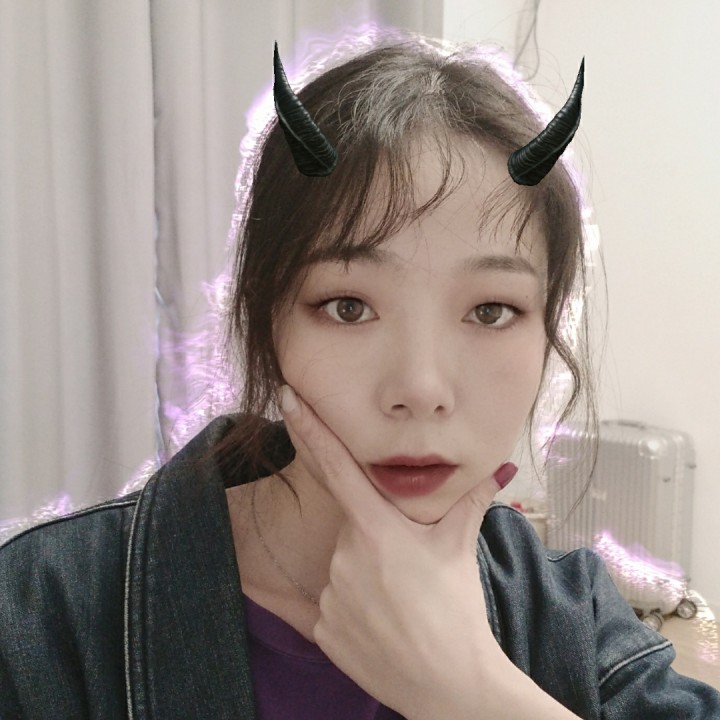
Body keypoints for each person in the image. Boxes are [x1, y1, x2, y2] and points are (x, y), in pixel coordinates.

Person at [1, 29, 719, 719]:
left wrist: (472, 694)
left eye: (491, 310)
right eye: (348, 307)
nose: (421, 389)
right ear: (267, 319)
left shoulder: (572, 620)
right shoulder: (44, 613)